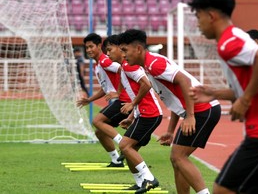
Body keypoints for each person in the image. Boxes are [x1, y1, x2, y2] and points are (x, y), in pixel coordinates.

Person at [188, 0, 258, 194]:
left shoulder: (229, 42)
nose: (197, 24)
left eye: (198, 17)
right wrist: (215, 93)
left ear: (211, 16)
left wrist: (245, 100)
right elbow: (243, 88)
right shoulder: (233, 37)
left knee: (223, 189)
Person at [119, 29, 221, 194]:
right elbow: (176, 98)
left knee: (178, 157)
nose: (123, 55)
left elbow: (184, 80)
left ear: (138, 49)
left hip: (203, 109)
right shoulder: (149, 66)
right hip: (200, 110)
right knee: (177, 160)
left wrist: (190, 116)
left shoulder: (153, 64)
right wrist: (170, 131)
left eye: (125, 50)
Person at [103, 34, 163, 194]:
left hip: (150, 114)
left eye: (110, 50)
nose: (108, 54)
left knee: (124, 146)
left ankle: (149, 178)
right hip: (143, 114)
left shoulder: (130, 67)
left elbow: (147, 84)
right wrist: (131, 116)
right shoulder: (124, 68)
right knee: (129, 150)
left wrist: (132, 104)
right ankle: (141, 181)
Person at [76, 33, 131, 167]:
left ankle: (124, 145)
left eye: (91, 46)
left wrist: (118, 92)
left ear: (99, 46)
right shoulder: (99, 65)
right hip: (120, 99)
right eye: (86, 47)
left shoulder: (104, 61)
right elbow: (105, 88)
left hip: (125, 100)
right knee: (100, 132)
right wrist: (89, 100)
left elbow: (122, 68)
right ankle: (116, 160)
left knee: (97, 121)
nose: (88, 50)